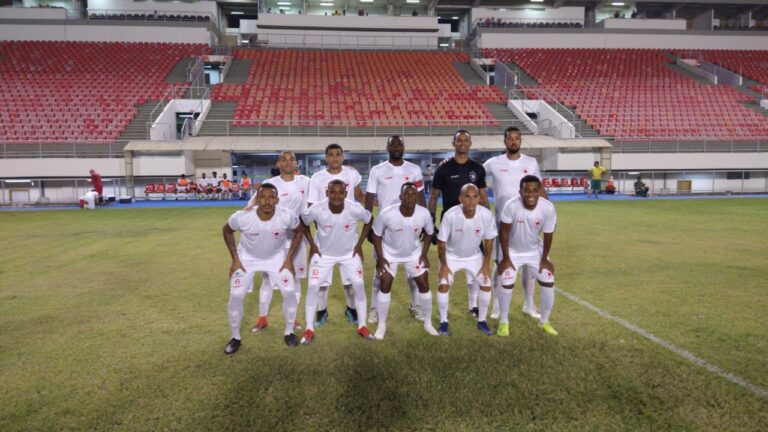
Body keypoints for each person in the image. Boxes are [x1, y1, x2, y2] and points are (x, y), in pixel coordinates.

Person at [222, 183, 305, 354]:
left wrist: (288, 259)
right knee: (236, 295)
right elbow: (227, 231)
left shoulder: (286, 216)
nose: (267, 201)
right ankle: (235, 337)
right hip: (247, 258)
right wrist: (235, 259)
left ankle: (289, 332)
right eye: (263, 197)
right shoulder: (243, 217)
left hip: (276, 258)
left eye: (271, 197)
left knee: (289, 291)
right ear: (257, 199)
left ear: (277, 199)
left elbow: (299, 231)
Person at [484, 126, 547, 321]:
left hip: (529, 223)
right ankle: (496, 305)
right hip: (502, 223)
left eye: (517, 138)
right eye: (509, 138)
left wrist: (546, 213)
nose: (513, 141)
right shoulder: (493, 163)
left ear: (521, 141)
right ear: (504, 141)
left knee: (530, 263)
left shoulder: (531, 162)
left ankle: (529, 304)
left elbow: (541, 189)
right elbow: (473, 170)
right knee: (500, 262)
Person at [299, 179, 374, 344]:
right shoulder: (317, 209)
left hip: (349, 255)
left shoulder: (354, 208)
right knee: (312, 287)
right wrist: (312, 245)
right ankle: (309, 329)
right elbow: (302, 222)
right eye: (333, 192)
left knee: (359, 286)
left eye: (341, 192)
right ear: (327, 193)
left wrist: (359, 244)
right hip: (323, 255)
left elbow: (369, 220)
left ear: (346, 194)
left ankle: (362, 325)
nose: (336, 196)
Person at [429, 130, 491, 318]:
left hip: (474, 225)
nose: (462, 143)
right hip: (451, 225)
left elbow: (483, 195)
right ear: (453, 143)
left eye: (466, 140)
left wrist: (488, 217)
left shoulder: (478, 169)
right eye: (459, 140)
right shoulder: (443, 169)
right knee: (449, 262)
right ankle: (444, 314)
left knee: (475, 264)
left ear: (470, 143)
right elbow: (433, 197)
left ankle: (473, 305)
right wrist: (430, 223)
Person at [247, 151, 311, 333]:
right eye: (284, 159)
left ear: (297, 163)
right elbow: (252, 205)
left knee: (296, 280)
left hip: (298, 239)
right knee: (268, 280)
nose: (288, 162)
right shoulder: (271, 185)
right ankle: (262, 318)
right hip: (273, 240)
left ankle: (293, 317)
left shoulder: (306, 182)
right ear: (278, 164)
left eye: (291, 159)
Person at [365, 135, 426, 324]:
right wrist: (369, 223)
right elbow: (369, 198)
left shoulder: (414, 169)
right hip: (385, 228)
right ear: (387, 147)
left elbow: (421, 195)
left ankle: (415, 305)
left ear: (404, 147)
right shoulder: (377, 170)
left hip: (410, 225)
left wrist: (423, 221)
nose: (397, 146)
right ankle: (374, 308)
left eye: (399, 143)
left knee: (413, 271)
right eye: (393, 144)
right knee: (381, 271)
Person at [308, 144, 365, 327]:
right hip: (325, 237)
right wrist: (326, 228)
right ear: (326, 158)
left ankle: (351, 308)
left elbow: (359, 195)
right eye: (331, 155)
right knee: (322, 282)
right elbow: (311, 207)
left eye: (338, 154)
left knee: (350, 281)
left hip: (349, 235)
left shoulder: (351, 173)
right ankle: (321, 311)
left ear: (342, 156)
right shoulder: (317, 178)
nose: (334, 158)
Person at [371, 182, 436, 339]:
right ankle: (381, 325)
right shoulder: (387, 213)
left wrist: (424, 254)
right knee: (385, 284)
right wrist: (380, 258)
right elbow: (376, 235)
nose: (410, 197)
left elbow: (429, 233)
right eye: (406, 194)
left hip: (413, 253)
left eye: (413, 194)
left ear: (418, 197)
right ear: (400, 197)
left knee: (424, 284)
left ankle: (428, 323)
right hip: (389, 253)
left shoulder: (424, 213)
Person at [497, 175, 558, 336]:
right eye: (526, 191)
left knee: (548, 280)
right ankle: (503, 322)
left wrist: (544, 259)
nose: (530, 194)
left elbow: (548, 234)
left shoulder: (548, 207)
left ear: (539, 192)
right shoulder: (511, 206)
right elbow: (503, 231)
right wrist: (506, 258)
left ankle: (544, 322)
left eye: (534, 191)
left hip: (534, 251)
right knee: (507, 281)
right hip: (513, 251)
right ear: (520, 191)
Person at [436, 184, 497, 337]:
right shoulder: (450, 215)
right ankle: (443, 322)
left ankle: (482, 321)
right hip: (451, 256)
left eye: (475, 196)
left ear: (479, 198)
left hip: (474, 256)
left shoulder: (486, 215)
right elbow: (441, 243)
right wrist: (443, 265)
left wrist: (485, 265)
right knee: (444, 284)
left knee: (486, 283)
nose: (471, 201)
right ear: (460, 198)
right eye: (467, 197)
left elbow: (489, 241)